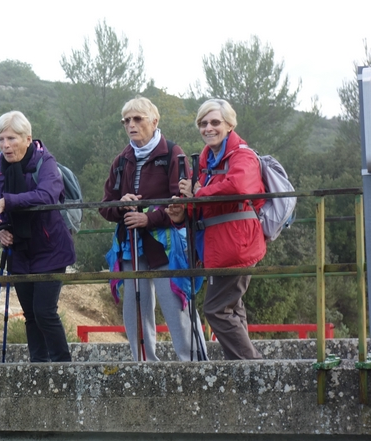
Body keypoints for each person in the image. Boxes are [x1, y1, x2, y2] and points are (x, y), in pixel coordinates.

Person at [101, 97, 208, 362]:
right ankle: (144, 364)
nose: (131, 125)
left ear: (154, 121)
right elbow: (104, 206)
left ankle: (193, 363)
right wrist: (121, 205)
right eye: (126, 120)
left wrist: (148, 219)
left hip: (166, 245)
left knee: (176, 302)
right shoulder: (121, 160)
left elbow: (180, 203)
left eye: (138, 119)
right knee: (135, 309)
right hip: (130, 246)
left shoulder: (173, 153)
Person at [167, 99, 265, 360]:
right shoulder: (206, 159)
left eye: (214, 122)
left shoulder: (242, 156)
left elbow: (240, 187)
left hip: (236, 246)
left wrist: (198, 192)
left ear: (230, 124)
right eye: (203, 123)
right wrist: (181, 214)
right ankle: (247, 370)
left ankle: (252, 369)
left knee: (217, 310)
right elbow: (204, 206)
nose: (208, 128)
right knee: (232, 308)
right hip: (218, 246)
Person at [0, 111, 74, 362]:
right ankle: (39, 366)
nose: (5, 145)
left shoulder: (46, 162)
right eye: (0, 139)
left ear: (27, 138)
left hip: (51, 249)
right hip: (19, 252)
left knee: (44, 312)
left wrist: (6, 201)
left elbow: (47, 195)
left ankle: (62, 366)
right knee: (30, 314)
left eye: (11, 138)